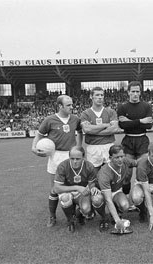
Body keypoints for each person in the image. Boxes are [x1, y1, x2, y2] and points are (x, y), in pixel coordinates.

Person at [31, 95, 83, 227]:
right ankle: (52, 216)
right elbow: (39, 134)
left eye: (72, 104)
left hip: (71, 156)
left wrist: (79, 146)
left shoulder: (75, 119)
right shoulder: (49, 120)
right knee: (55, 188)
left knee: (75, 185)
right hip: (55, 156)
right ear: (60, 106)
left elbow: (80, 132)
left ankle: (75, 214)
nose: (72, 107)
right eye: (69, 105)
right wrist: (33, 148)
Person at [53, 146, 102, 232]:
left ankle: (79, 214)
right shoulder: (62, 166)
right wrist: (77, 187)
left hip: (82, 192)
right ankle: (70, 220)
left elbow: (91, 183)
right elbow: (57, 188)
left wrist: (93, 188)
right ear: (69, 157)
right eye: (72, 158)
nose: (75, 161)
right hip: (67, 191)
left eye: (78, 159)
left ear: (83, 157)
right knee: (65, 198)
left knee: (86, 209)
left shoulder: (89, 166)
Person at [97, 145, 137, 232]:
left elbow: (138, 163)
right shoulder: (104, 173)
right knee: (97, 200)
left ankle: (116, 214)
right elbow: (108, 199)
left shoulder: (125, 161)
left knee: (125, 205)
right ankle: (104, 217)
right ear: (110, 158)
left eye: (121, 156)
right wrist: (117, 221)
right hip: (102, 193)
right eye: (116, 157)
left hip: (116, 191)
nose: (120, 159)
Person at [81, 87, 119, 172]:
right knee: (93, 175)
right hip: (93, 147)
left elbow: (114, 129)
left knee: (111, 175)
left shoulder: (111, 112)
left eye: (102, 95)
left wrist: (93, 130)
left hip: (109, 146)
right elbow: (87, 130)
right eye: (97, 95)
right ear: (91, 97)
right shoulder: (85, 113)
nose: (100, 97)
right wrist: (105, 125)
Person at [117, 81, 153, 161]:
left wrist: (129, 121)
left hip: (142, 140)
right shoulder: (122, 107)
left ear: (140, 92)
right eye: (133, 91)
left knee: (142, 168)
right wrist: (141, 121)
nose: (135, 94)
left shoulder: (147, 106)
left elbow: (148, 126)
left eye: (137, 91)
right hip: (128, 140)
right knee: (127, 169)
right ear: (128, 92)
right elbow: (123, 125)